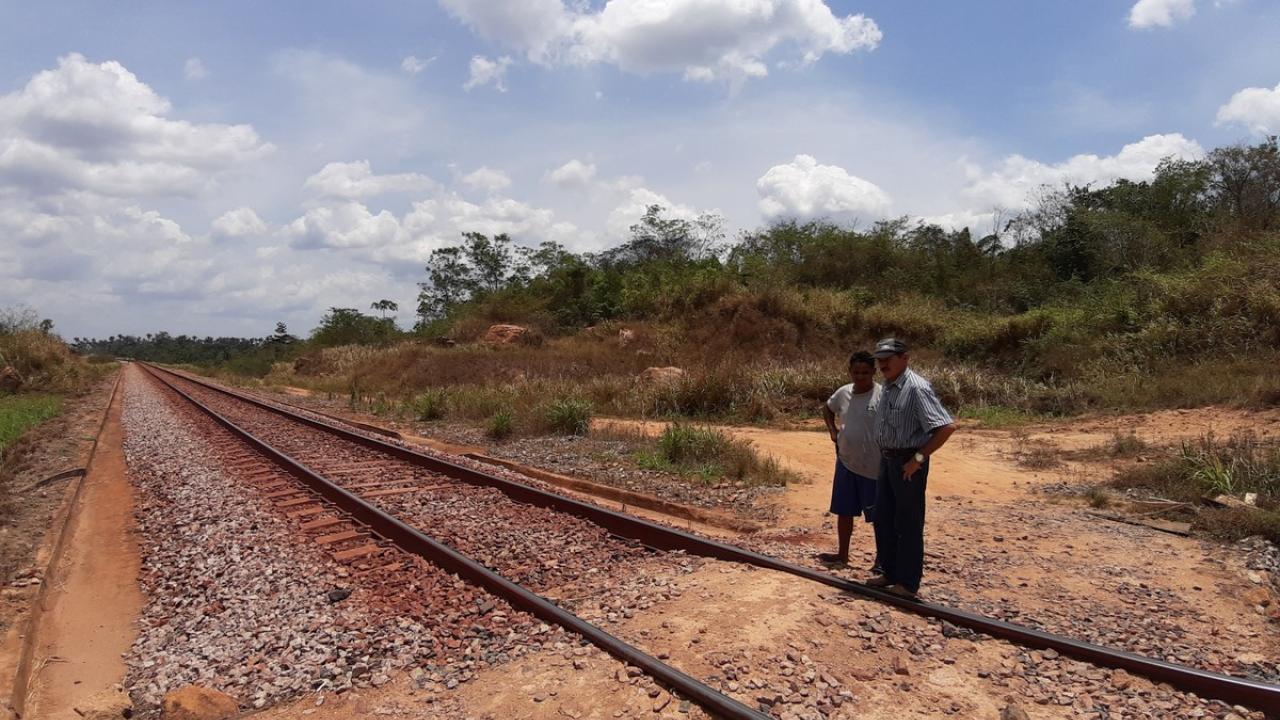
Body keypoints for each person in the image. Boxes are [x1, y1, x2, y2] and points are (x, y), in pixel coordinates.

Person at [867, 338, 956, 599]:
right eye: (880, 359)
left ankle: (907, 583)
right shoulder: (889, 385)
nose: (883, 364)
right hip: (887, 460)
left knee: (907, 523)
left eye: (888, 358)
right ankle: (890, 573)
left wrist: (918, 458)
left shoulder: (916, 388)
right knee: (884, 519)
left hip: (907, 463)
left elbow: (946, 427)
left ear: (905, 358)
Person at [817, 351, 882, 570]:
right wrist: (832, 431)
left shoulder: (882, 396)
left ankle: (882, 560)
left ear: (874, 372)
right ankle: (842, 555)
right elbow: (827, 408)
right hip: (846, 461)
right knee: (844, 512)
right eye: (856, 372)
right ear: (850, 372)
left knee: (878, 516)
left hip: (873, 466)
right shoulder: (843, 393)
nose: (860, 377)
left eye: (865, 372)